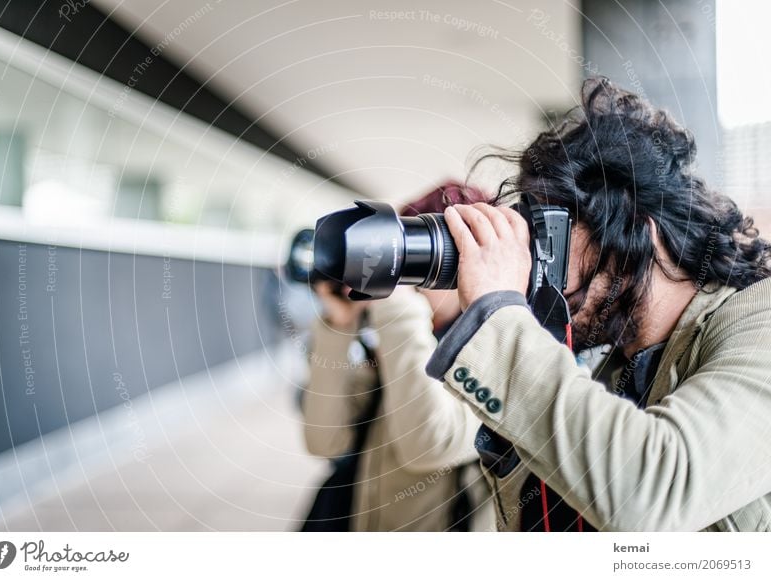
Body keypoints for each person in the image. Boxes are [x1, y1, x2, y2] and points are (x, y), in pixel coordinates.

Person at [425, 77, 771, 532]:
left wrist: (498, 313)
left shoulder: (759, 322)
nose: (536, 264)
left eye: (554, 235)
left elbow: (655, 492)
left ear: (634, 232)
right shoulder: (612, 373)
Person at [302, 183, 495, 531]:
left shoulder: (496, 354)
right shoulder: (394, 343)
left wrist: (395, 305)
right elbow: (324, 441)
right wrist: (339, 325)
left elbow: (428, 447)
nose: (407, 279)